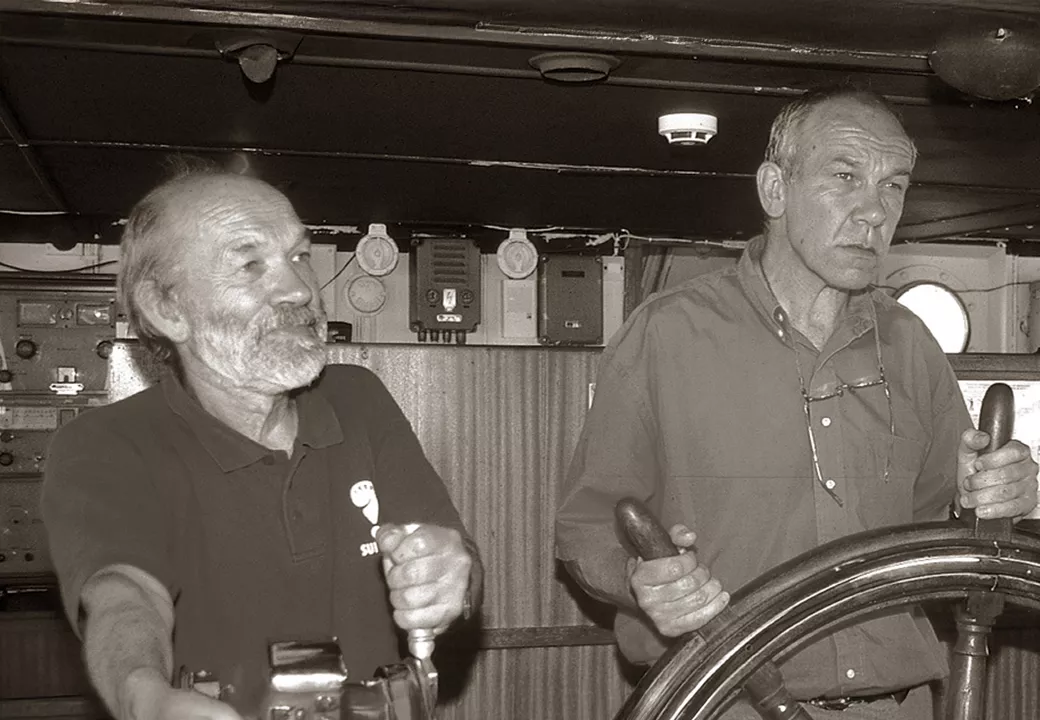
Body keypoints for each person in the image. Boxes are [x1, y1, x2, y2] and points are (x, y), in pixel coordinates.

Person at [555, 85, 1038, 719]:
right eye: (845, 176)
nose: (875, 211)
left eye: (893, 185)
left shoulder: (913, 345)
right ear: (774, 189)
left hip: (899, 706)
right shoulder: (664, 335)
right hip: (726, 705)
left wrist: (997, 494)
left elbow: (949, 527)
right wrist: (638, 581)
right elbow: (586, 528)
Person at [41, 169, 483, 720]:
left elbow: (454, 553)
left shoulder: (359, 399)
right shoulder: (105, 444)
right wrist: (142, 695)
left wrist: (450, 575)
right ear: (166, 309)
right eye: (250, 265)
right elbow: (124, 593)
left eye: (300, 257)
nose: (300, 289)